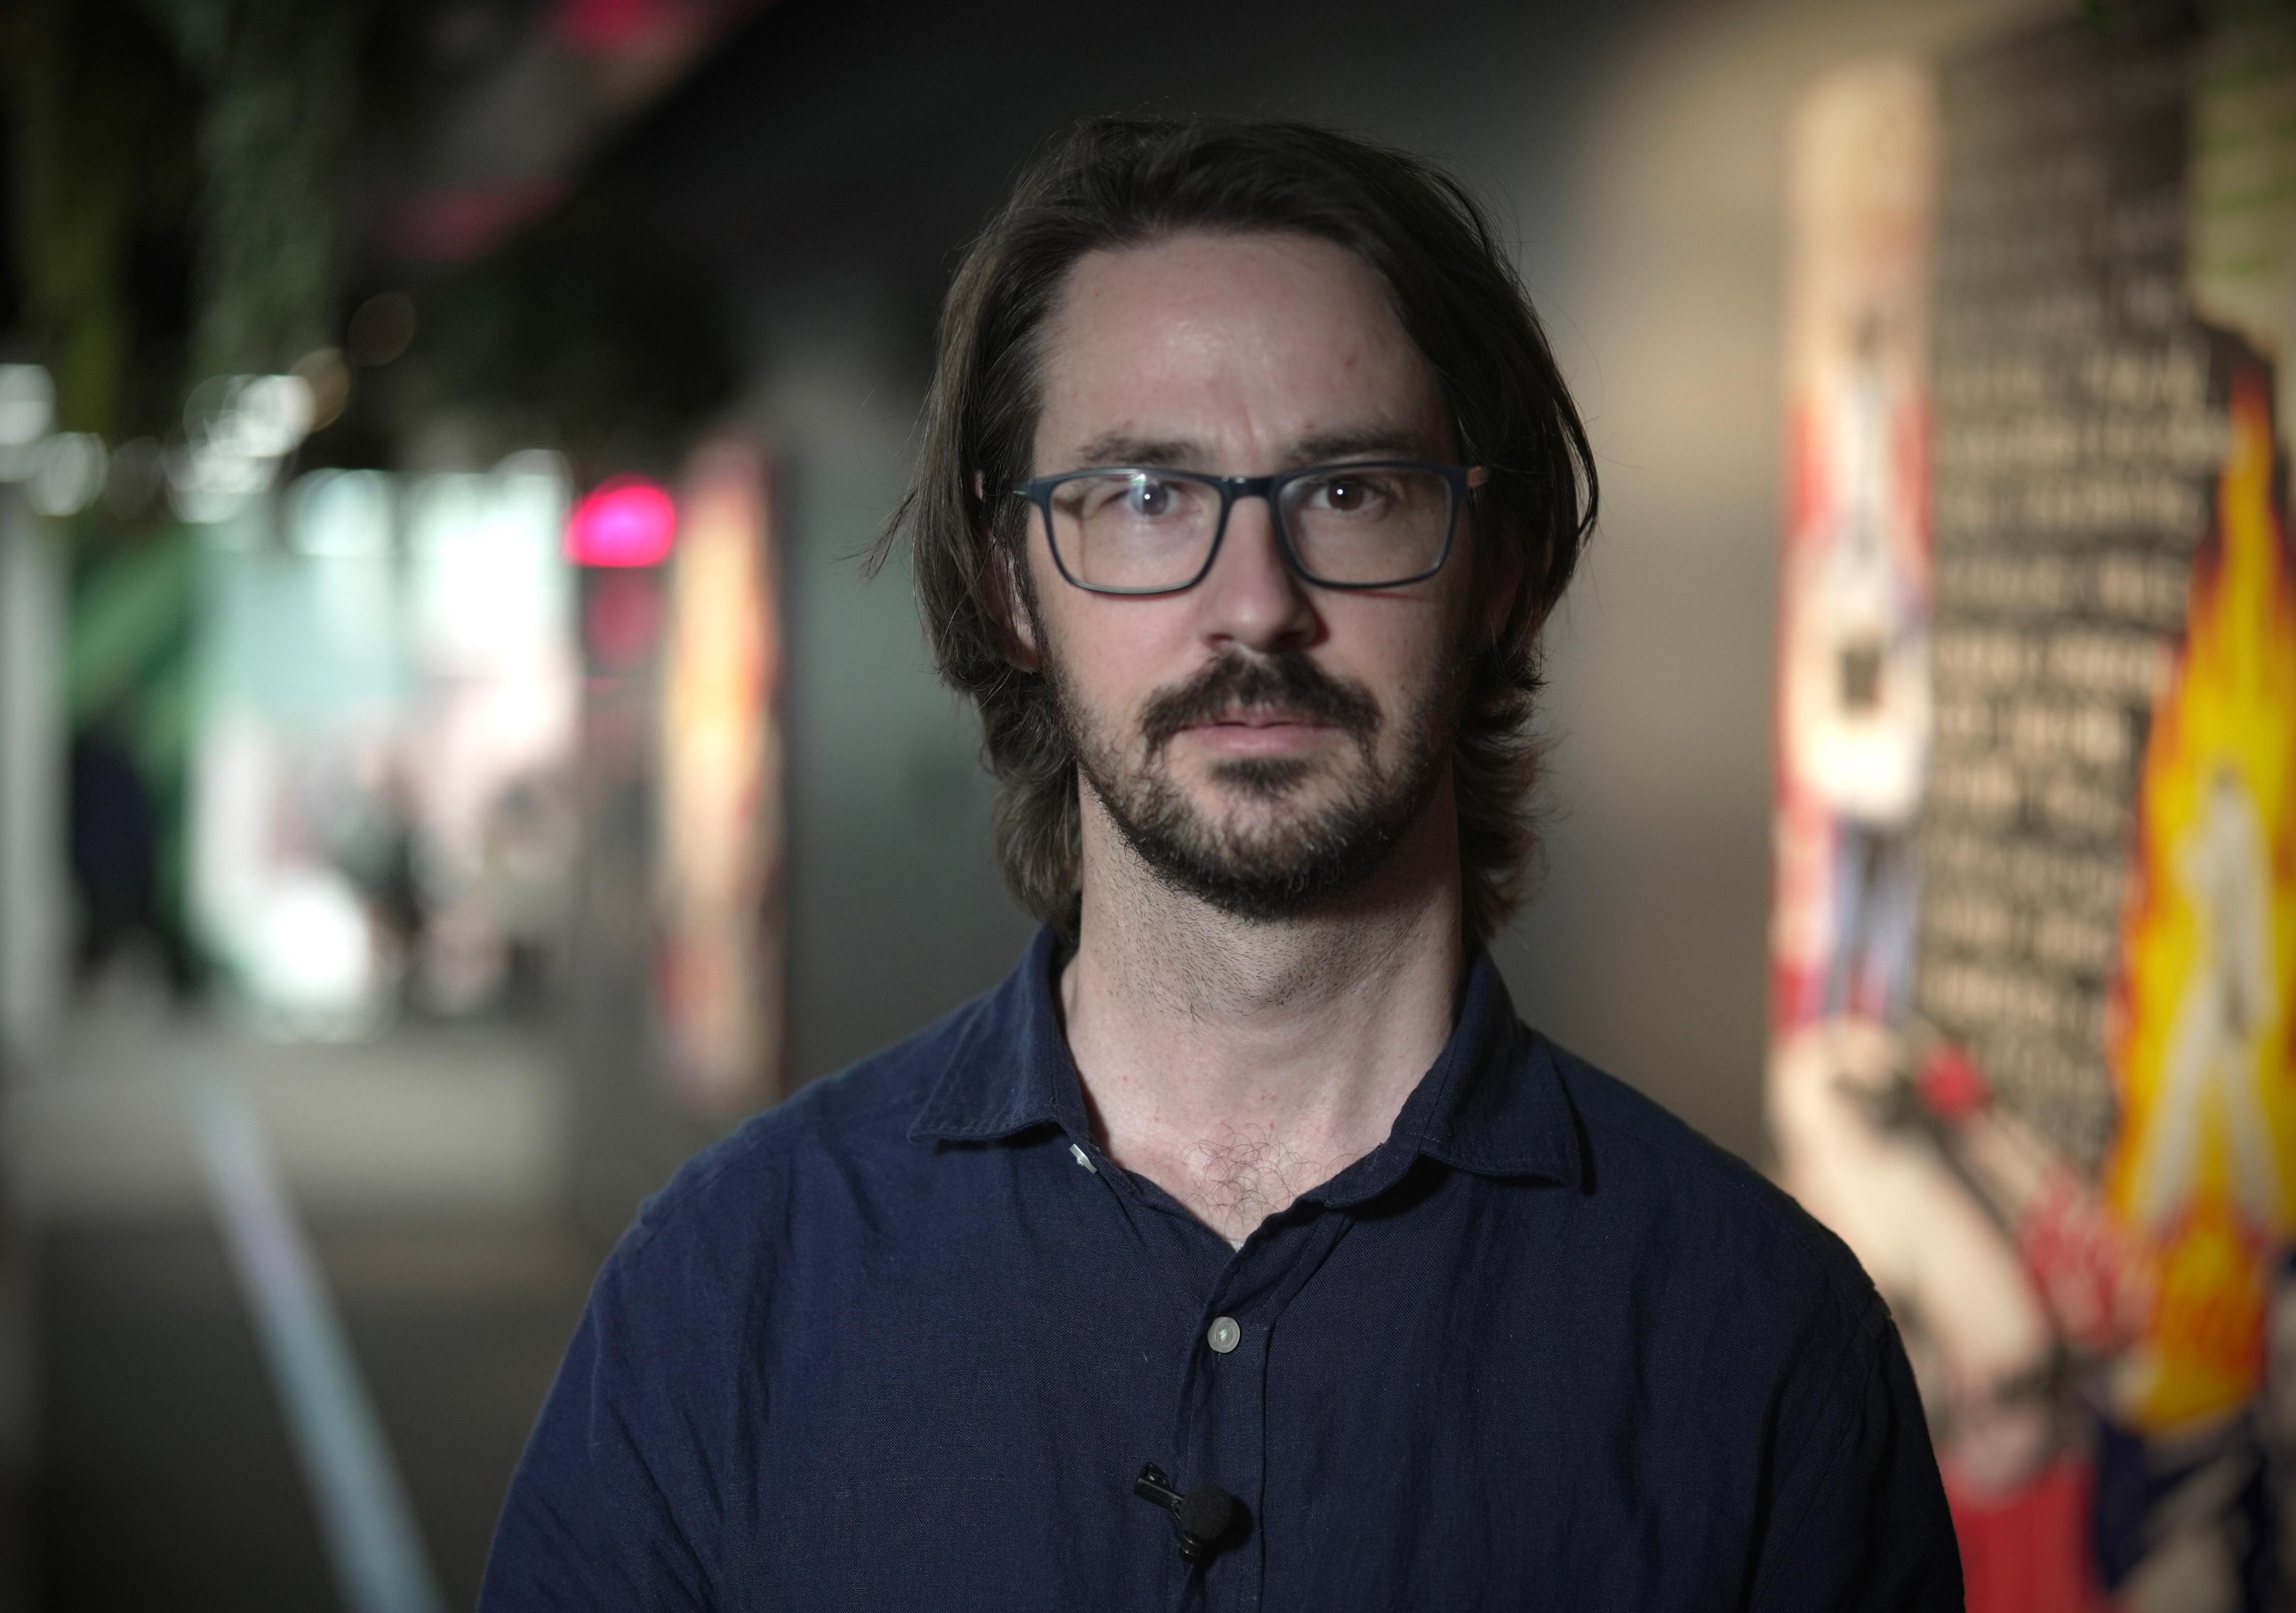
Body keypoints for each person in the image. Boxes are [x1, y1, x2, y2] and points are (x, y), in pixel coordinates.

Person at [482, 117, 1961, 1610]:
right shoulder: (735, 1283)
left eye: (1348, 492)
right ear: (1010, 590)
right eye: (1143, 499)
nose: (1254, 609)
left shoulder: (1763, 1341)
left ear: (1501, 568)